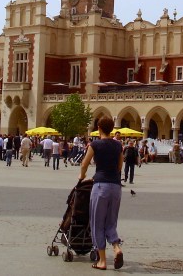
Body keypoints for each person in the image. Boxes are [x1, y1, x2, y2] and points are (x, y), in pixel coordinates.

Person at [78, 116, 124, 271]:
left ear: (99, 127)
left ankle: (102, 261)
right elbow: (119, 167)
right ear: (111, 129)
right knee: (111, 222)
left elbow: (84, 163)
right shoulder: (118, 145)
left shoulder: (95, 144)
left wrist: (82, 176)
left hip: (100, 186)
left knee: (97, 223)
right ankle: (117, 247)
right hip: (116, 187)